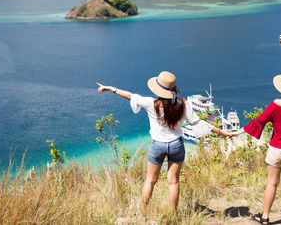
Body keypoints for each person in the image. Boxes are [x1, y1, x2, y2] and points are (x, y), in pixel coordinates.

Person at [97, 71, 231, 211]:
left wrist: (111, 89)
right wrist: (222, 132)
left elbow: (131, 96)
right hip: (176, 145)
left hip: (157, 146)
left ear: (158, 89)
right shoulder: (183, 105)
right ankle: (172, 213)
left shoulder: (151, 103)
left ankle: (143, 211)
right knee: (173, 182)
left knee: (150, 181)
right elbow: (198, 123)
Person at [232, 69, 281, 225]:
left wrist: (236, 133)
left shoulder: (275, 105)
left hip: (277, 149)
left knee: (272, 183)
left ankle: (265, 217)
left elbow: (258, 122)